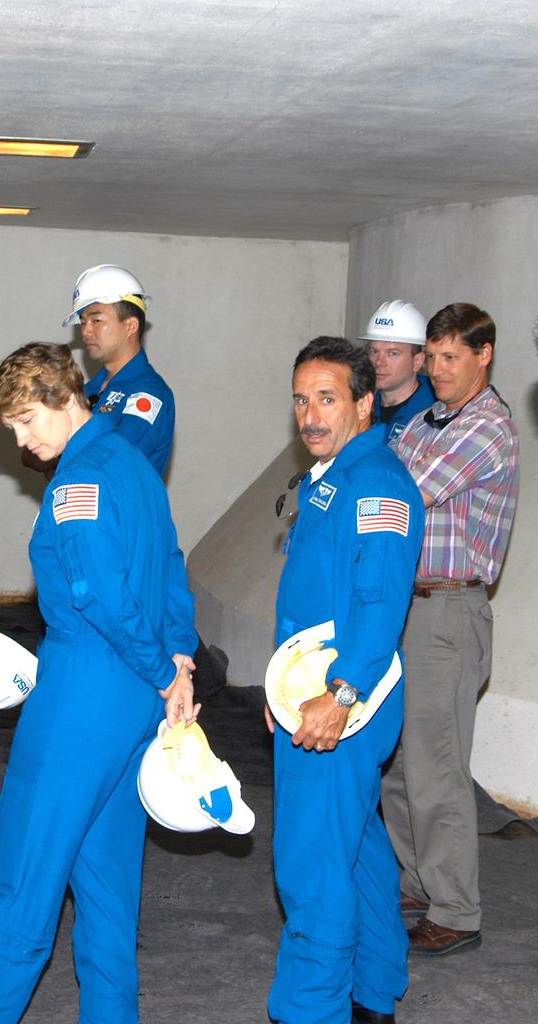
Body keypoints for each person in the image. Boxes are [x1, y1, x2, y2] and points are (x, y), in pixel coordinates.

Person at [0, 343, 198, 1024]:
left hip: (83, 688)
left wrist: (164, 667)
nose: (21, 441)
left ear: (64, 397)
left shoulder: (79, 482)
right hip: (139, 700)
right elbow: (169, 566)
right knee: (106, 889)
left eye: (24, 421)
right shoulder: (134, 464)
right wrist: (178, 663)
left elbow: (99, 597)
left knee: (24, 877)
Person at [264, 336, 423, 1024]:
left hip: (343, 703)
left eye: (327, 398)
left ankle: (309, 1011)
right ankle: (373, 993)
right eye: (301, 399)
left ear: (363, 401)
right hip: (315, 693)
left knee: (312, 863)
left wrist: (342, 694)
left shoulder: (377, 484)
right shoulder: (332, 475)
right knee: (355, 849)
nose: (310, 414)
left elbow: (380, 601)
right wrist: (282, 691)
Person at [380, 303, 519, 956]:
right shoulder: (434, 419)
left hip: (447, 613)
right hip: (408, 610)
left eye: (449, 358)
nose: (435, 370)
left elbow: (400, 491)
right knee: (400, 766)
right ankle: (415, 882)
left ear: (483, 355)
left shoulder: (485, 427)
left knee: (436, 771)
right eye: (429, 357)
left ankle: (457, 912)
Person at [64, 263, 175, 475]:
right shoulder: (90, 390)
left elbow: (112, 461)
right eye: (83, 321)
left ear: (130, 326)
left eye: (96, 320)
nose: (85, 331)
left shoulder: (149, 393)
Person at [358, 300, 435, 445]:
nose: (379, 362)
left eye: (392, 353)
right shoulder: (361, 408)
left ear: (418, 361)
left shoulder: (433, 415)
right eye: (374, 351)